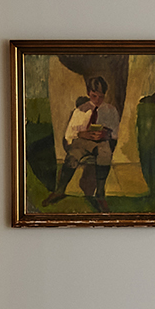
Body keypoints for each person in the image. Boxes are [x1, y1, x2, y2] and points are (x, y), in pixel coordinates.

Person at [45, 76, 118, 212]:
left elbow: (115, 134)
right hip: (82, 142)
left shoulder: (111, 111)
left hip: (101, 142)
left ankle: (100, 194)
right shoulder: (80, 111)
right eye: (94, 96)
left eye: (101, 97)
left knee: (105, 154)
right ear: (89, 93)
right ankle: (60, 190)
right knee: (73, 156)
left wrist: (105, 135)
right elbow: (69, 134)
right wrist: (81, 134)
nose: (97, 100)